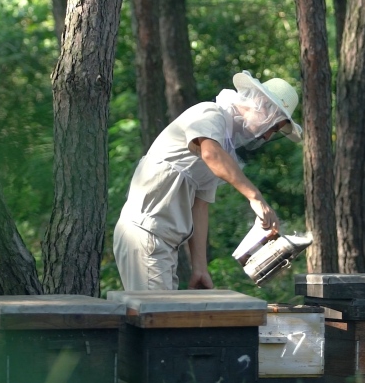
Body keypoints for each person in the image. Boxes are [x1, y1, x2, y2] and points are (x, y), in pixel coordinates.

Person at [113, 70, 303, 291]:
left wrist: (200, 268)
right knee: (158, 322)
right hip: (145, 233)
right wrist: (255, 197)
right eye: (273, 126)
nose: (268, 136)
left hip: (162, 243)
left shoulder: (224, 149)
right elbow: (211, 154)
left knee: (162, 320)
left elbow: (200, 206)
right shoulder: (210, 114)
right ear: (261, 104)